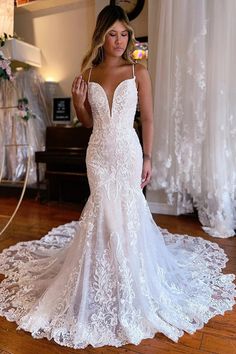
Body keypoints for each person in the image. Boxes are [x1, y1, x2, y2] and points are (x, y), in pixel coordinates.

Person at [0, 4, 235, 350]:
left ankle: (129, 281)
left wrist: (150, 157)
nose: (120, 40)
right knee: (103, 214)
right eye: (113, 34)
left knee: (126, 214)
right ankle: (105, 278)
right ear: (101, 36)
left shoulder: (138, 71)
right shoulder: (89, 72)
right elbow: (88, 121)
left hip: (128, 152)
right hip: (97, 154)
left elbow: (150, 120)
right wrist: (79, 101)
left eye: (124, 34)